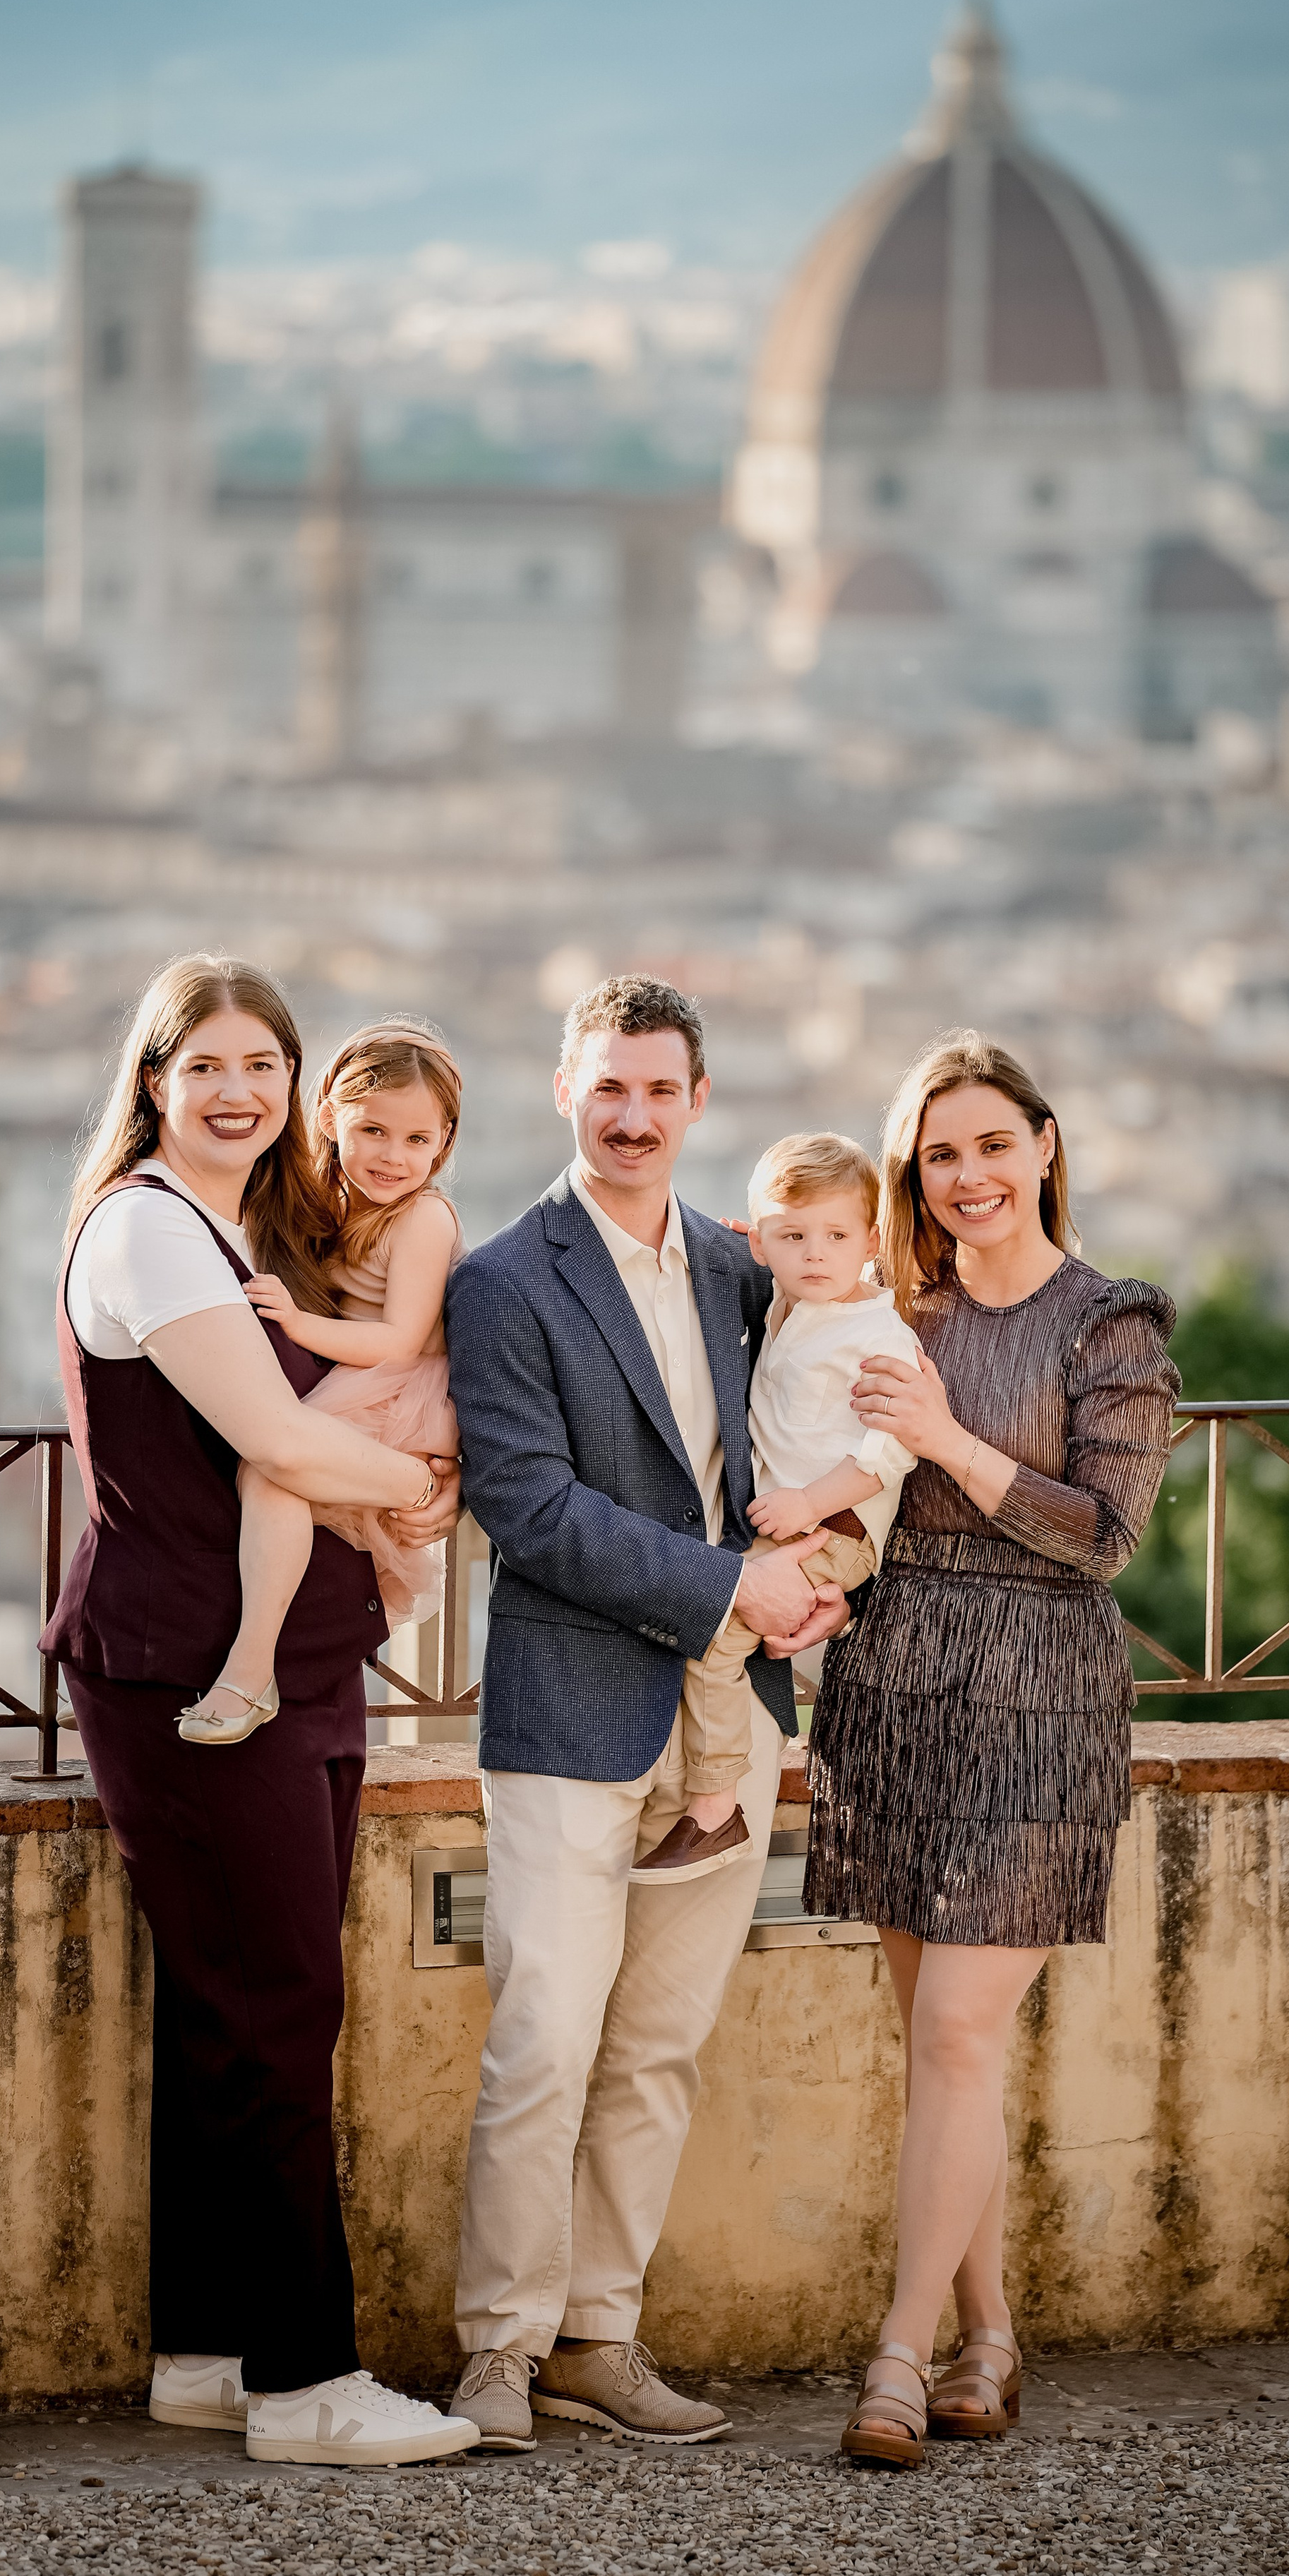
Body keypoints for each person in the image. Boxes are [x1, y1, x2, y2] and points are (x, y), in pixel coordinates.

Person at [40, 953, 479, 2469]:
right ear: (152, 1080)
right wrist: (424, 1485)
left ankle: (209, 2353)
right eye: (206, 1065)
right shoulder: (156, 1236)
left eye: (262, 1067)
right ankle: (305, 2386)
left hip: (280, 1662)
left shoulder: (235, 1227)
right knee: (280, 2009)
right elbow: (279, 1437)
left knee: (228, 2014)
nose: (237, 1091)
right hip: (189, 1671)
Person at [443, 974, 847, 2452]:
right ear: (566, 1091)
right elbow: (523, 1504)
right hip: (569, 1703)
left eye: (657, 1091)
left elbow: (813, 1422)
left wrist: (817, 1567)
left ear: (694, 1103)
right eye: (605, 1087)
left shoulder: (747, 1274)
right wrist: (731, 1589)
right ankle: (497, 2348)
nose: (630, 1115)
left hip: (725, 1718)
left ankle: (596, 2339)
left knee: (658, 2049)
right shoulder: (501, 1280)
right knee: (543, 2039)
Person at [815, 1029, 1176, 2467]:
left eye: (988, 1144)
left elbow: (1104, 1539)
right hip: (891, 1684)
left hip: (1041, 1692)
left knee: (960, 2031)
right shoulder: (887, 1309)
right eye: (936, 1152)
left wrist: (948, 1443)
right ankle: (990, 2339)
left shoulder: (1113, 1321)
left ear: (1041, 1147)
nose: (964, 1175)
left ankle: (897, 2358)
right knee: (936, 2052)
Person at [631, 1131, 923, 1883]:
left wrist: (805, 1503)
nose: (815, 1254)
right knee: (726, 1625)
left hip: (834, 1526)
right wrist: (746, 1245)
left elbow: (891, 1451)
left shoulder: (878, 1332)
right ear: (762, 1243)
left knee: (717, 1632)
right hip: (800, 1522)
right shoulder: (794, 1299)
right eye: (793, 1237)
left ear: (872, 1241)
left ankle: (714, 1807)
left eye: (835, 1236)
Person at [181, 1017, 466, 1746]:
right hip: (363, 1381)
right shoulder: (331, 1201)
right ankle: (192, 1658)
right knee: (253, 1483)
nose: (393, 1158)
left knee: (271, 1474)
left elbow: (399, 1338)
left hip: (399, 1390)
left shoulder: (424, 1217)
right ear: (331, 1117)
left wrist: (297, 1324)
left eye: (416, 1141)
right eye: (373, 1131)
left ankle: (249, 1669)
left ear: (443, 1145)